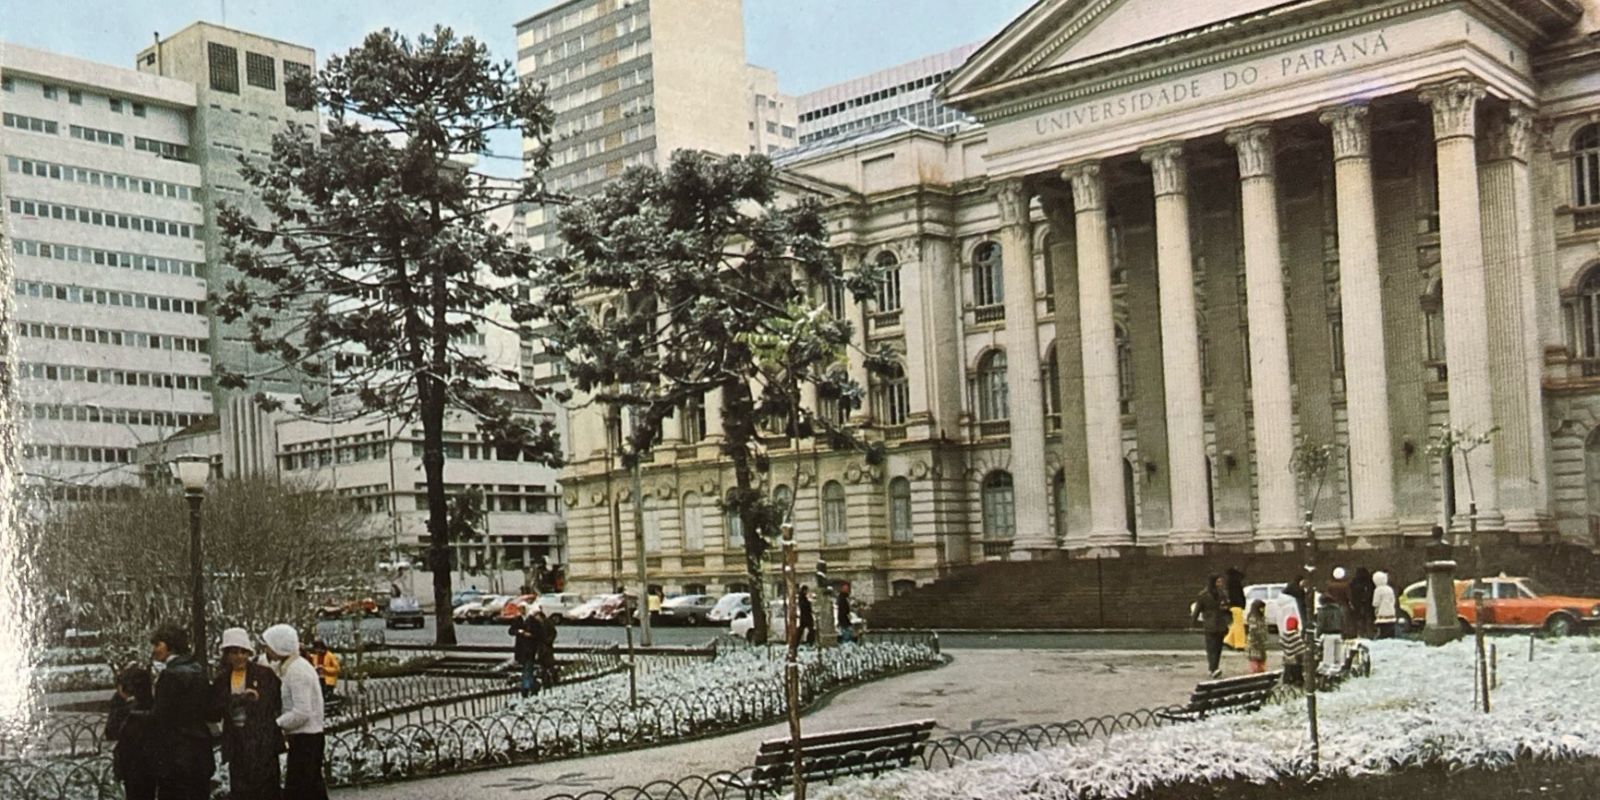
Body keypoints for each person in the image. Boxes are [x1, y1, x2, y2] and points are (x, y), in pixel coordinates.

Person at [210, 628, 283, 800]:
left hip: (262, 743)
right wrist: (236, 700)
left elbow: (276, 702)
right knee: (242, 790)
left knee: (266, 790)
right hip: (237, 743)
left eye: (243, 652)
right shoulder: (222, 680)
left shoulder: (264, 674)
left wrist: (257, 700)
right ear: (227, 655)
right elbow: (214, 709)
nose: (239, 657)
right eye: (234, 653)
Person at [146, 623, 214, 800]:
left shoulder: (169, 676)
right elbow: (209, 710)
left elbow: (160, 716)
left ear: (170, 645)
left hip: (175, 754)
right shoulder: (198, 671)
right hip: (199, 751)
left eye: (157, 644)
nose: (154, 650)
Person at [262, 624, 328, 800]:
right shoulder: (292, 666)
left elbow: (302, 712)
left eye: (269, 645)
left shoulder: (297, 671)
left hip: (306, 739)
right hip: (306, 738)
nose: (266, 650)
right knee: (312, 789)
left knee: (301, 790)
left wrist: (276, 724)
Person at [106, 663, 159, 800]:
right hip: (152, 763)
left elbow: (111, 731)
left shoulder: (125, 711)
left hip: (131, 765)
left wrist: (119, 700)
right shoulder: (153, 706)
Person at [1192, 574, 1230, 678]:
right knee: (1211, 648)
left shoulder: (1222, 594)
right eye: (1218, 582)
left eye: (1221, 582)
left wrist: (1227, 610)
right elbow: (1197, 609)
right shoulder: (1203, 595)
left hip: (1221, 624)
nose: (1220, 584)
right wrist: (1193, 621)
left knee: (1218, 648)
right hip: (1210, 624)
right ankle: (1213, 669)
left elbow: (1227, 608)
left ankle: (1215, 667)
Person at [1279, 571, 1311, 686]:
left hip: (1288, 657)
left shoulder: (1289, 592)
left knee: (1289, 663)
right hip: (1297, 618)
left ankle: (1288, 679)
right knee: (1296, 663)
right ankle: (1297, 679)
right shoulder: (1297, 593)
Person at [509, 605, 544, 697]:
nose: (522, 611)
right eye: (520, 609)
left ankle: (527, 686)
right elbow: (511, 631)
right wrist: (519, 631)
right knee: (526, 667)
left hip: (530, 648)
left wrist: (531, 635)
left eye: (523, 609)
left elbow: (539, 634)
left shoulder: (533, 621)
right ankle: (529, 685)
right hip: (521, 648)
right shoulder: (517, 620)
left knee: (528, 667)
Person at [308, 638, 340, 705]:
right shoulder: (316, 656)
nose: (317, 651)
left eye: (318, 648)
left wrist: (324, 669)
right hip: (318, 679)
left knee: (327, 697)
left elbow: (337, 669)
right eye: (316, 649)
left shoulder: (330, 656)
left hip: (328, 681)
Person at [1223, 567, 1247, 651]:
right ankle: (1239, 644)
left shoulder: (1230, 583)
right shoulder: (1235, 583)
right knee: (1239, 626)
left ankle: (1229, 640)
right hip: (1237, 606)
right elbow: (1239, 595)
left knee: (1236, 624)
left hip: (1234, 606)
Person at [1349, 567, 1376, 639]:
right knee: (1368, 618)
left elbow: (1352, 593)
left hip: (1358, 603)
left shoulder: (1354, 582)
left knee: (1359, 619)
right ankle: (1369, 633)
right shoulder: (1369, 582)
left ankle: (1360, 633)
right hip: (1368, 603)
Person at [1245, 600, 1270, 674]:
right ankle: (1255, 672)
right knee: (1255, 658)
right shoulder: (1253, 617)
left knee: (1262, 658)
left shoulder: (1262, 617)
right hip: (1254, 642)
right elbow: (1253, 630)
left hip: (1261, 642)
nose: (1262, 609)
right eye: (1261, 608)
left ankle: (1261, 672)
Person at [537, 608, 560, 689]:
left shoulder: (547, 623)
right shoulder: (538, 624)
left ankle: (553, 679)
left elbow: (553, 633)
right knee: (543, 665)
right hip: (541, 647)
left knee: (549, 664)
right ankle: (546, 681)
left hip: (547, 647)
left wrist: (548, 641)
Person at [1372, 570, 1399, 639]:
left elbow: (1376, 603)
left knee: (1383, 632)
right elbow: (1393, 600)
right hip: (1391, 614)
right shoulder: (1390, 589)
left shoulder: (1378, 590)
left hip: (1382, 614)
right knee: (1390, 632)